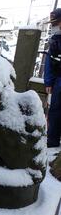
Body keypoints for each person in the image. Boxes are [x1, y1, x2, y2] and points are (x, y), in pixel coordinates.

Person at [45, 8, 61, 148]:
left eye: (57, 23)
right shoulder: (55, 41)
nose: (54, 26)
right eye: (53, 24)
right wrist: (49, 81)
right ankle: (52, 141)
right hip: (58, 79)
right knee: (55, 110)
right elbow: (49, 62)